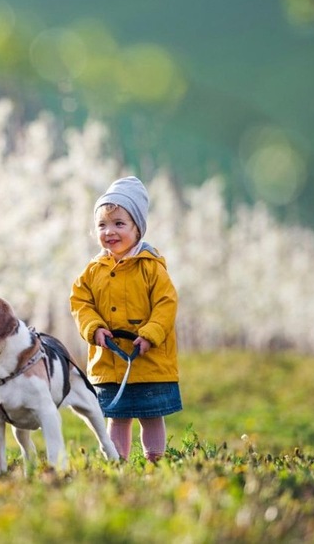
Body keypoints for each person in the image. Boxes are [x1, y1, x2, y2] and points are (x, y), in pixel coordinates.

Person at [70, 176, 180, 462]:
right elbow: (81, 302)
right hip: (109, 360)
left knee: (151, 414)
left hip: (148, 358)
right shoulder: (93, 271)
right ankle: (117, 463)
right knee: (117, 417)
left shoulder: (151, 267)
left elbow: (165, 304)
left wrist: (152, 333)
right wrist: (93, 329)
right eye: (102, 225)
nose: (110, 232)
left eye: (119, 224)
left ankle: (155, 461)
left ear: (137, 228)